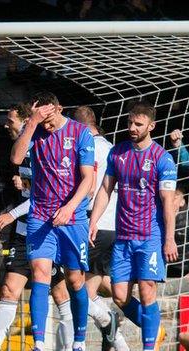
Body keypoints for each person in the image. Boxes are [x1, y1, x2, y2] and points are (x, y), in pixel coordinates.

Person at [89, 101, 178, 351]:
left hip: (149, 236)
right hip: (123, 238)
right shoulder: (117, 153)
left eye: (138, 124)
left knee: (148, 291)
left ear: (151, 126)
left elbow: (168, 203)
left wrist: (169, 239)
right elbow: (105, 190)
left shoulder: (163, 159)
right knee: (119, 295)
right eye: (130, 122)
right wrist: (93, 221)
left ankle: (148, 347)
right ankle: (155, 328)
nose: (132, 128)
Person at [0, 102, 75, 351]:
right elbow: (31, 191)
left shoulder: (45, 148)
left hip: (47, 232)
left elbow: (45, 196)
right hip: (24, 233)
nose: (6, 124)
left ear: (27, 121)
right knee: (8, 289)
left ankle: (70, 345)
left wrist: (12, 214)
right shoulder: (21, 151)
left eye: (11, 120)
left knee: (60, 294)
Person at [10, 92, 95, 351]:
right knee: (40, 273)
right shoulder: (34, 130)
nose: (46, 125)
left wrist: (70, 208)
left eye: (49, 118)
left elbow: (88, 179)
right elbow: (15, 158)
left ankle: (79, 341)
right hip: (40, 216)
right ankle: (39, 344)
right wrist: (32, 123)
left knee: (75, 279)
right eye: (41, 119)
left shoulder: (81, 133)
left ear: (59, 108)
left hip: (72, 217)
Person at [73, 105, 130, 350]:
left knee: (75, 288)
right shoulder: (113, 149)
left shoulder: (84, 147)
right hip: (114, 225)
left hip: (91, 223)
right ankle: (117, 336)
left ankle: (109, 324)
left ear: (78, 126)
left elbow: (90, 186)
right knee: (94, 286)